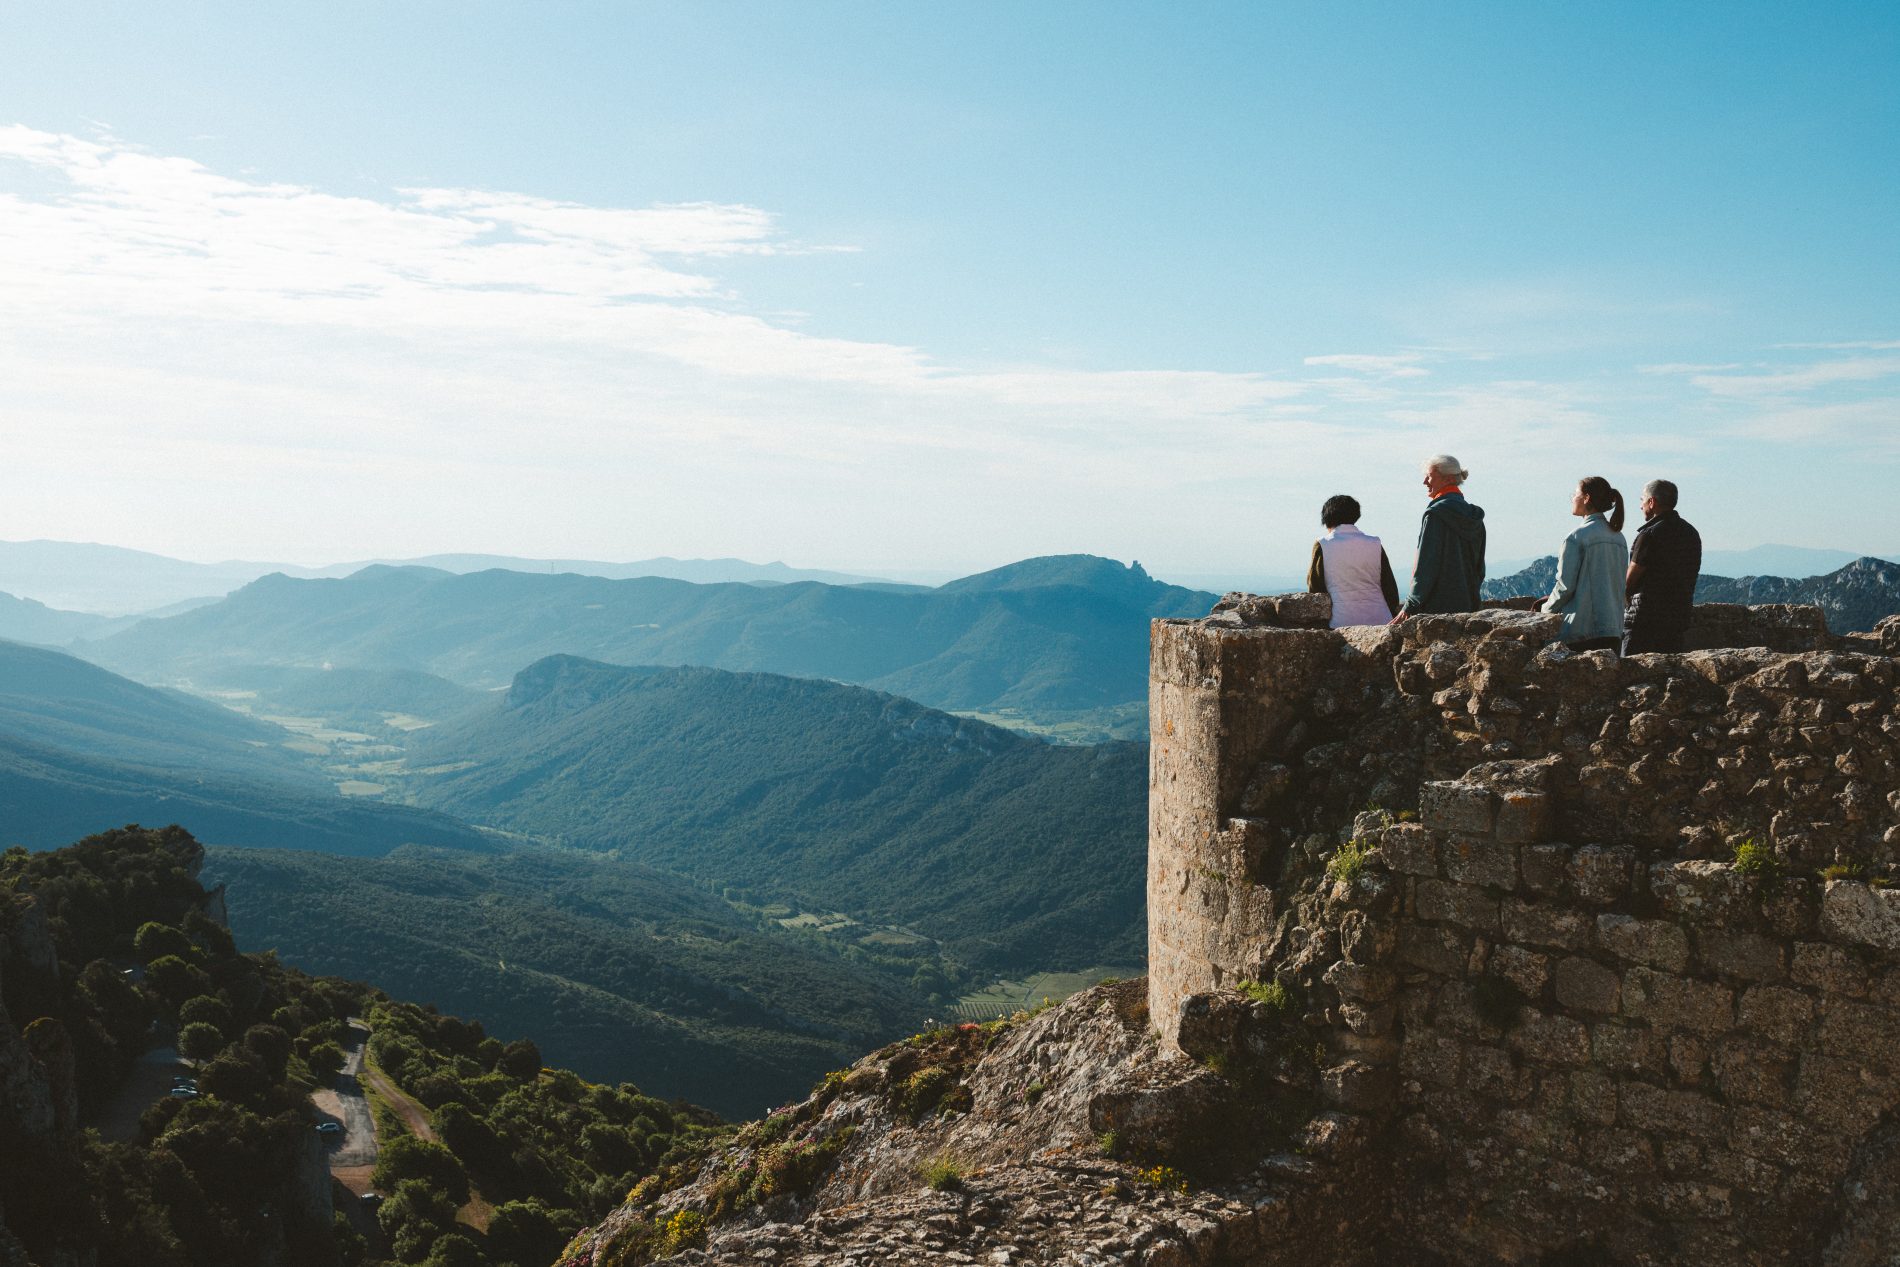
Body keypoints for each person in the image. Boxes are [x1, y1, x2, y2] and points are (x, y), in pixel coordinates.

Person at [1392, 454, 1486, 621]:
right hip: (1467, 605)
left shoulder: (1435, 515)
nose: (1425, 482)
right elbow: (1479, 567)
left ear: (1448, 479)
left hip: (1436, 609)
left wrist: (1411, 604)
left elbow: (1426, 563)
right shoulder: (1475, 518)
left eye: (1429, 476)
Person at [1540, 476, 1629, 651]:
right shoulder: (1619, 538)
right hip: (1613, 630)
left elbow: (1565, 586)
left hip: (1582, 631)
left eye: (1575, 494)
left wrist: (1545, 610)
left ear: (1586, 498)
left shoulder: (1576, 538)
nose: (1573, 498)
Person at [1623, 478, 1702, 654]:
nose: (1640, 506)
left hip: (1644, 619)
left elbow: (1630, 580)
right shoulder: (1691, 533)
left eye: (1642, 500)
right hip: (1677, 617)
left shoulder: (1649, 534)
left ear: (1652, 502)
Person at [1306, 495, 1402, 627]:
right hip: (1380, 618)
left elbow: (1315, 587)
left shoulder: (1323, 544)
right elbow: (1389, 586)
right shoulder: (1374, 543)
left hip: (1341, 621)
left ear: (1327, 519)